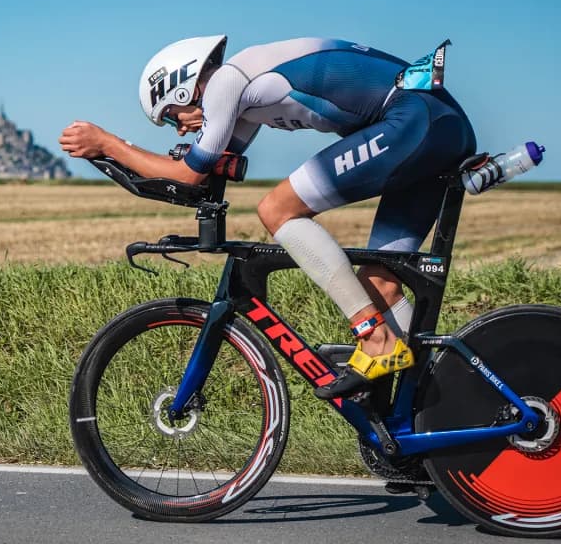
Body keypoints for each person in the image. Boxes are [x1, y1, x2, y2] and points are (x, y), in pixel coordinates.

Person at [59, 36, 475, 399]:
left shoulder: (226, 82)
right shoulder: (242, 96)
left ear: (184, 88)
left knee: (276, 209)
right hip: (439, 123)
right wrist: (127, 167)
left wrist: (108, 143)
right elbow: (202, 181)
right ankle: (439, 401)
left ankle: (373, 336)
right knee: (379, 282)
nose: (179, 131)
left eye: (171, 116)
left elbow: (189, 173)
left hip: (413, 119)